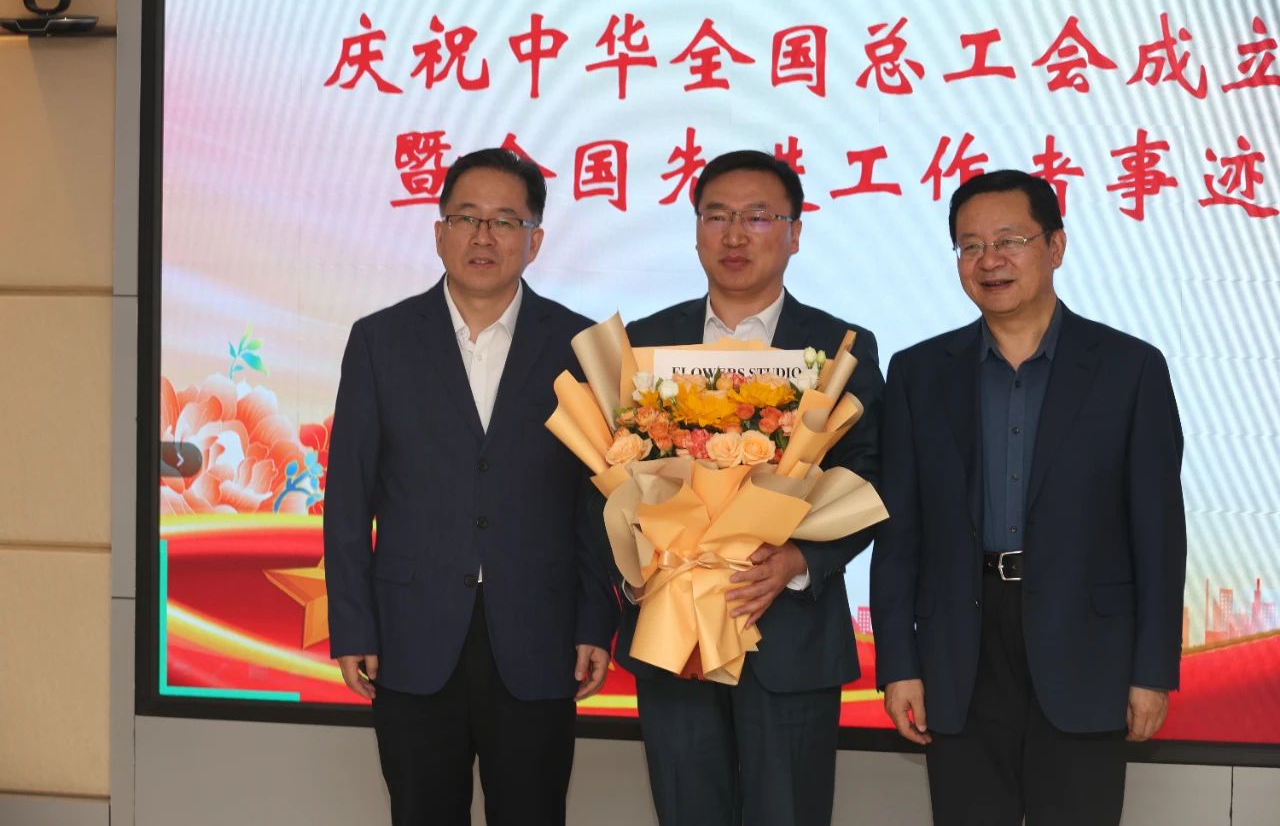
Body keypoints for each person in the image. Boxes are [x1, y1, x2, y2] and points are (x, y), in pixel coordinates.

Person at [871, 170, 1187, 826]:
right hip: (960, 647)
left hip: (1087, 649)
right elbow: (899, 534)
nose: (989, 260)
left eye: (1009, 240)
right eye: (970, 246)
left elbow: (1159, 534)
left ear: (1056, 246)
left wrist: (1153, 670)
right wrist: (898, 663)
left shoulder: (1129, 368)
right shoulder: (918, 373)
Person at [323, 147, 619, 826]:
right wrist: (353, 624)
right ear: (439, 232)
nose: (484, 236)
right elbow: (348, 500)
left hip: (540, 636)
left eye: (505, 221)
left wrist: (593, 621)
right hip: (411, 634)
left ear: (534, 240)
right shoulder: (380, 341)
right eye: (467, 217)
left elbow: (596, 501)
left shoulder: (580, 345)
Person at [620, 150, 885, 826]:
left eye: (758, 217)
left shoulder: (840, 347)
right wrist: (638, 564)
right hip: (675, 637)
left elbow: (871, 474)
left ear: (794, 233)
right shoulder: (646, 343)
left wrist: (800, 559)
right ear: (696, 231)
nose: (735, 234)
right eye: (717, 216)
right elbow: (608, 481)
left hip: (791, 638)